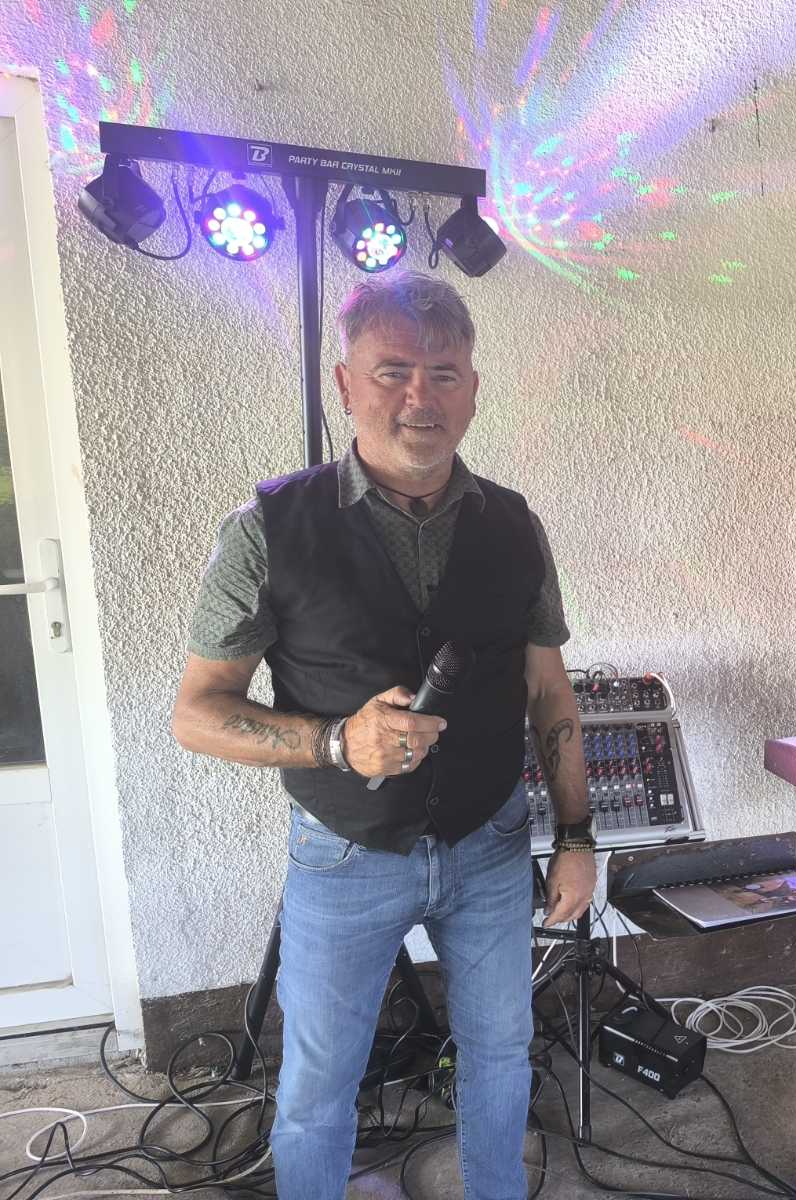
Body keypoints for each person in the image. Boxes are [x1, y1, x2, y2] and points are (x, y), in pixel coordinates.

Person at [171, 272, 596, 1200]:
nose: (419, 397)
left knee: (502, 1056)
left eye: (443, 374)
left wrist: (575, 836)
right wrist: (336, 744)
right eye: (392, 370)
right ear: (344, 383)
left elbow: (547, 690)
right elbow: (197, 710)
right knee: (319, 1084)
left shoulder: (516, 524)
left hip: (491, 843)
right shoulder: (268, 528)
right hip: (343, 853)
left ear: (473, 389)